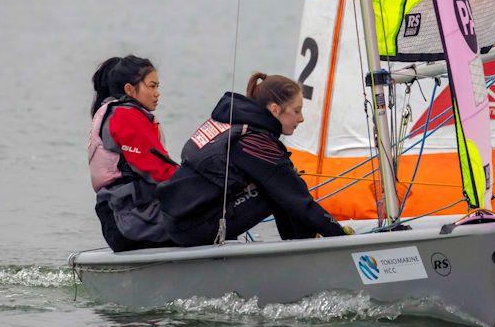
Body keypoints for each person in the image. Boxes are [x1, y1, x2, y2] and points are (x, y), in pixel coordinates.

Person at [158, 72, 348, 246]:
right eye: (297, 111)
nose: (301, 119)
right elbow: (298, 199)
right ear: (275, 109)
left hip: (180, 219)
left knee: (281, 185)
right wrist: (340, 237)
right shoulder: (254, 141)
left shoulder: (236, 123)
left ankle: (304, 243)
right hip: (191, 228)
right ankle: (306, 249)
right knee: (280, 189)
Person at [89, 55, 178, 252]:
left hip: (123, 216)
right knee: (208, 220)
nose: (157, 93)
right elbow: (159, 171)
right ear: (128, 88)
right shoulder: (124, 116)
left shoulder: (111, 112)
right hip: (130, 219)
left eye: (157, 87)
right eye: (152, 86)